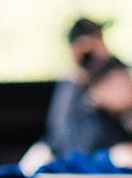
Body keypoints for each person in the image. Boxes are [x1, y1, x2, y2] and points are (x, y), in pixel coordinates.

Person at [45, 17, 112, 157]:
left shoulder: (112, 75)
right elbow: (61, 137)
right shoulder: (71, 86)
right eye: (97, 40)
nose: (104, 50)